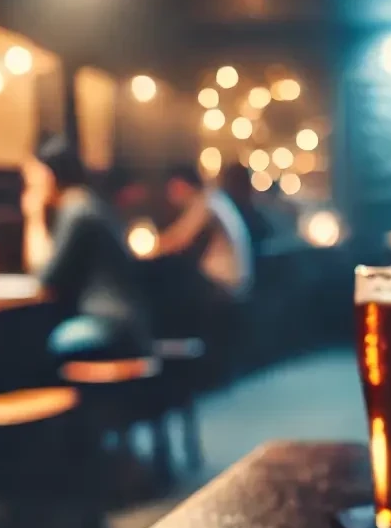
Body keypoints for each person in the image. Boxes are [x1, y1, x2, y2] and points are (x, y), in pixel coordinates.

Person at [21, 134, 152, 360]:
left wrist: (34, 217)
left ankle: (83, 397)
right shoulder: (87, 204)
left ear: (49, 174)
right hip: (127, 322)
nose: (29, 183)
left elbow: (44, 278)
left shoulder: (77, 210)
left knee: (44, 345)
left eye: (32, 175)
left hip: (111, 323)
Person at [151, 164, 262, 353]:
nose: (171, 196)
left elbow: (179, 239)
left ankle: (175, 351)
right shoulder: (217, 199)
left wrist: (150, 247)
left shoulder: (206, 201)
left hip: (226, 283)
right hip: (238, 280)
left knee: (169, 285)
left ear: (182, 185)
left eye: (173, 189)